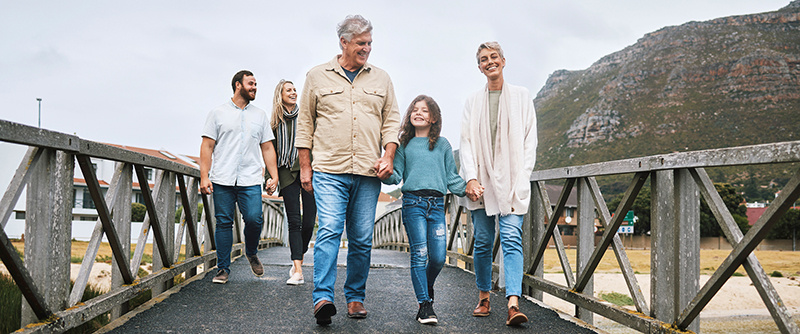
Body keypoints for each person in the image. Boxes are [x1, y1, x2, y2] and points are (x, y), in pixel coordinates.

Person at [296, 14, 401, 326]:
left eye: (369, 43)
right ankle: (323, 298)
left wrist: (389, 156)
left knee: (362, 238)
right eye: (361, 43)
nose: (367, 48)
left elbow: (392, 121)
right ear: (343, 42)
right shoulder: (316, 76)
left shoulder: (381, 79)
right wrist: (305, 167)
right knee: (329, 229)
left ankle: (355, 297)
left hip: (369, 174)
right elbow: (305, 124)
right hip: (329, 169)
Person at [459, 42, 538, 326]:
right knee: (481, 241)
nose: (489, 62)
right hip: (481, 181)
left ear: (503, 61)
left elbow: (530, 141)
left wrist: (522, 177)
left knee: (512, 238)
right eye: (483, 59)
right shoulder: (472, 101)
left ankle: (513, 303)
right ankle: (483, 296)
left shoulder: (521, 96)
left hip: (512, 181)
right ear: (479, 66)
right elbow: (466, 142)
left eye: (493, 57)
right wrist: (470, 177)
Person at [382, 95, 466, 325]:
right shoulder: (404, 145)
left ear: (434, 118)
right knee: (419, 254)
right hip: (412, 204)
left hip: (437, 205)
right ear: (409, 115)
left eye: (425, 110)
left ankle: (425, 287)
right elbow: (397, 175)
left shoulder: (443, 144)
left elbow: (452, 178)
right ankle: (425, 305)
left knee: (438, 257)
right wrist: (386, 174)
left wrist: (469, 188)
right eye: (415, 110)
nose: (419, 113)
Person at [200, 70, 279, 285]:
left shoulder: (260, 115)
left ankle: (251, 252)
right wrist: (204, 176)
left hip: (250, 178)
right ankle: (223, 268)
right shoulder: (217, 113)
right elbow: (207, 146)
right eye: (251, 83)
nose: (255, 87)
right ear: (238, 85)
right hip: (222, 178)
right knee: (223, 222)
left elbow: (268, 147)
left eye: (255, 84)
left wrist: (274, 176)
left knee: (254, 219)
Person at [266, 79, 317, 285]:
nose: (294, 92)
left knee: (309, 220)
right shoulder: (274, 123)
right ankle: (297, 269)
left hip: (308, 170)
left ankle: (300, 253)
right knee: (294, 221)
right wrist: (270, 177)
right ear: (281, 94)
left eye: (295, 89)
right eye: (289, 90)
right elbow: (270, 152)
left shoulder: (307, 117)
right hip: (286, 172)